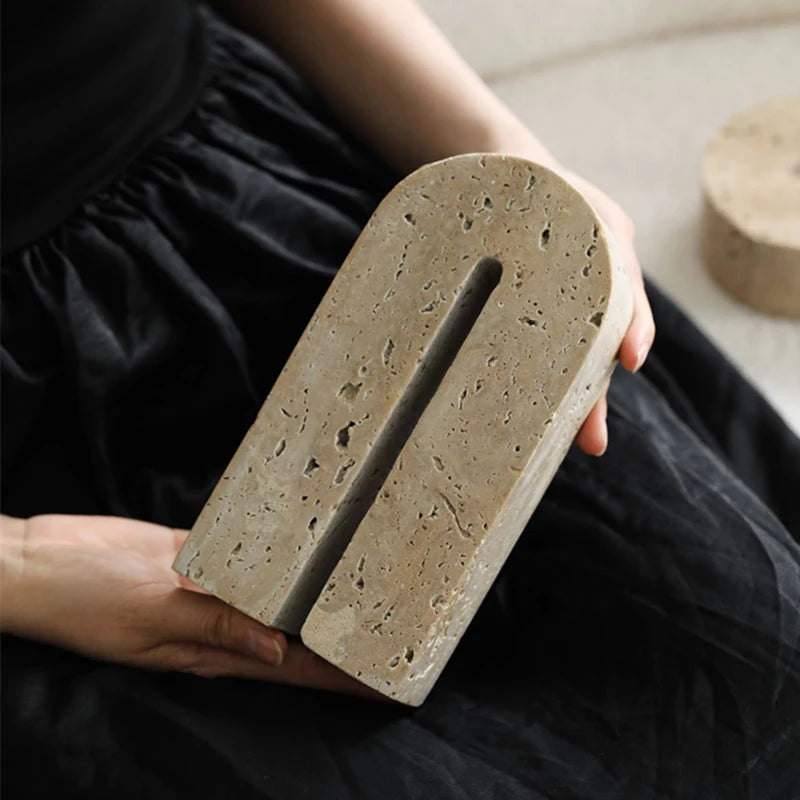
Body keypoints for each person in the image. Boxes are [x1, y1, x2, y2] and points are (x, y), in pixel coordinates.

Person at [1, 1, 798, 797]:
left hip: (282, 218)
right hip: (33, 472)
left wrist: (512, 167)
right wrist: (24, 567)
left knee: (745, 655)